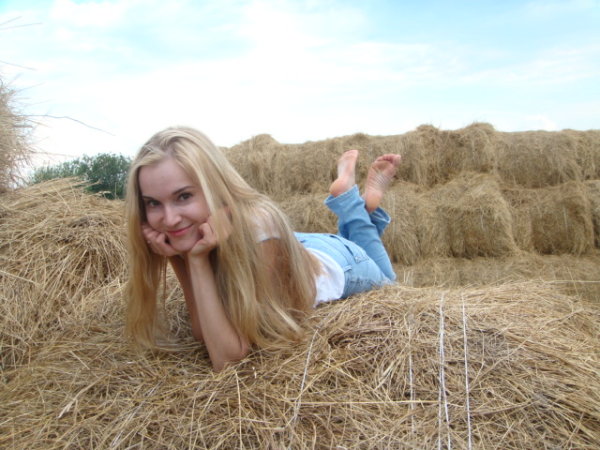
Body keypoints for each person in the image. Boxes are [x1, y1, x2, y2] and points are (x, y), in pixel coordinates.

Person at [125, 126, 401, 371]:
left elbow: (227, 359)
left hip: (341, 262)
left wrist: (193, 261)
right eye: (153, 203)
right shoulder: (195, 230)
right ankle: (362, 204)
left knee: (389, 281)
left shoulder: (258, 225)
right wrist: (181, 256)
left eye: (183, 196)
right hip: (295, 245)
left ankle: (349, 201)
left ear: (214, 187)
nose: (169, 219)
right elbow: (203, 334)